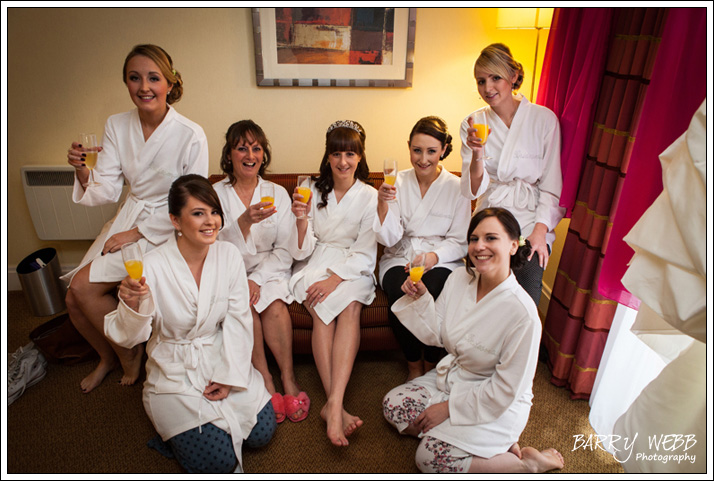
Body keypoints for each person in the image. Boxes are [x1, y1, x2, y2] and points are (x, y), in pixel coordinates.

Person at [62, 44, 209, 393]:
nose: (144, 86)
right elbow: (109, 190)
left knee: (96, 290)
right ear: (127, 83)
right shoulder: (117, 124)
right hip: (128, 214)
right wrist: (82, 172)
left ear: (170, 84)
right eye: (135, 78)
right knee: (74, 295)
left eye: (153, 78)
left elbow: (193, 201)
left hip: (168, 226)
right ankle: (112, 354)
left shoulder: (191, 134)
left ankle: (130, 352)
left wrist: (135, 233)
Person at [105, 175, 275, 474]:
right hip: (175, 366)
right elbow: (131, 337)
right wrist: (133, 306)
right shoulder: (152, 265)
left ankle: (207, 428)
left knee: (262, 433)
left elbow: (238, 319)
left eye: (214, 211)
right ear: (175, 220)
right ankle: (171, 431)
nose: (210, 221)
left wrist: (229, 375)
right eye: (198, 213)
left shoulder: (229, 255)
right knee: (217, 462)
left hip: (218, 351)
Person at [382, 208, 565, 473]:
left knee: (429, 458)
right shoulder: (458, 278)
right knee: (393, 405)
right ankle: (482, 447)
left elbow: (505, 390)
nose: (479, 246)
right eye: (473, 239)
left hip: (496, 400)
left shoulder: (523, 315)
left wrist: (447, 409)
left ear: (514, 245)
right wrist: (421, 297)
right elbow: (438, 334)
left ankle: (527, 464)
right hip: (457, 378)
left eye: (491, 238)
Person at [288, 120, 378, 447]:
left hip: (352, 265)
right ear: (327, 156)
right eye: (336, 153)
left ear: (360, 156)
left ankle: (333, 405)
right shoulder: (310, 188)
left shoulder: (370, 195)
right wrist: (300, 219)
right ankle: (336, 405)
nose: (343, 161)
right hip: (315, 260)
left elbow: (367, 249)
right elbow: (301, 247)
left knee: (351, 305)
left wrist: (336, 278)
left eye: (350, 154)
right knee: (320, 307)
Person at [215, 120, 309, 424]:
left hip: (269, 271)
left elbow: (284, 250)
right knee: (245, 308)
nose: (250, 154)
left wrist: (257, 278)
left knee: (275, 305)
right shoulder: (214, 194)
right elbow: (209, 244)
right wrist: (243, 222)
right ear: (229, 155)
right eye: (242, 148)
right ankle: (266, 381)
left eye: (256, 148)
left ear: (263, 154)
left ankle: (288, 378)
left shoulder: (276, 193)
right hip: (230, 271)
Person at [460, 43, 564, 306]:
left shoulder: (544, 119)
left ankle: (521, 344)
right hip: (493, 213)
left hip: (532, 218)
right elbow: (473, 190)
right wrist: (477, 153)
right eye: (481, 81)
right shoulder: (473, 123)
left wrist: (540, 231)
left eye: (495, 78)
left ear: (514, 76)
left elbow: (551, 185)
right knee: (486, 294)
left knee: (526, 289)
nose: (488, 88)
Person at [373, 116, 470, 381]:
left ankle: (432, 359)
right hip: (400, 257)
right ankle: (414, 364)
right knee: (400, 291)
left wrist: (433, 257)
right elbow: (388, 239)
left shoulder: (458, 187)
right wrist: (382, 204)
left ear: (443, 151)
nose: (423, 159)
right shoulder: (395, 182)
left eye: (431, 151)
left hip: (441, 259)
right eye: (417, 150)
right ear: (409, 148)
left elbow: (460, 241)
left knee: (434, 290)